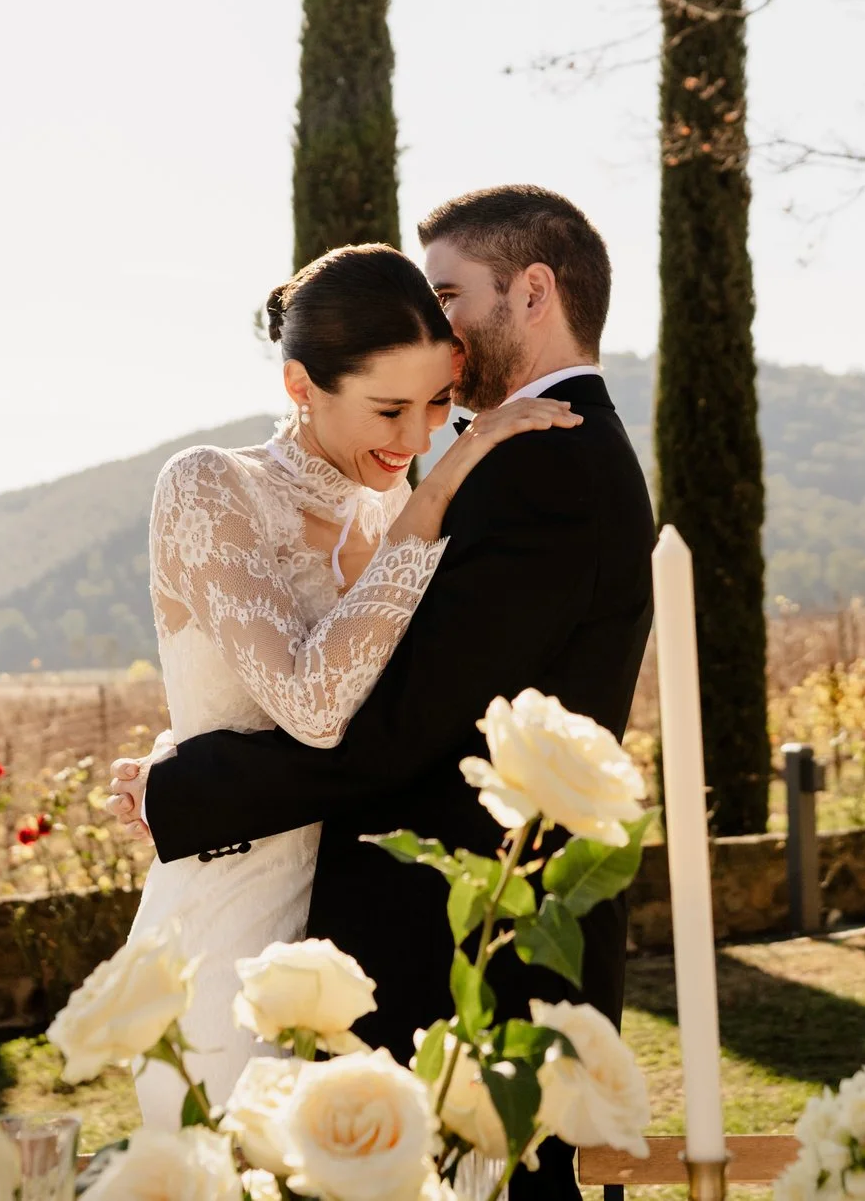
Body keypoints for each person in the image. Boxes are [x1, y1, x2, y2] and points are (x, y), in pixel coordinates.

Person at [111, 186, 655, 1201]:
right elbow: (346, 688)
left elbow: (395, 728)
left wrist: (182, 786)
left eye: (447, 294)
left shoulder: (543, 466)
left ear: (532, 290)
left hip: (471, 949)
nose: (436, 328)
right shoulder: (485, 466)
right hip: (330, 931)